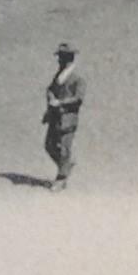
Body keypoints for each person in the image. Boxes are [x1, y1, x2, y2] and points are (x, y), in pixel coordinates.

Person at [43, 42, 85, 189]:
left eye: (61, 57)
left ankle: (61, 178)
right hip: (55, 117)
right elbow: (50, 89)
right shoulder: (58, 77)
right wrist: (50, 100)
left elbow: (78, 98)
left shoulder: (77, 79)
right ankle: (66, 165)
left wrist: (60, 102)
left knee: (64, 148)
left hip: (67, 119)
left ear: (69, 58)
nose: (59, 60)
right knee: (49, 145)